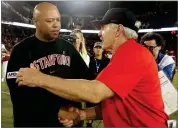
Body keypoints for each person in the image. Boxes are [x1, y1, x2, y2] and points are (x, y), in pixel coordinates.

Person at [16, 8, 169, 127]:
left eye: (103, 27)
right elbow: (115, 105)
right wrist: (82, 114)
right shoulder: (125, 54)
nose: (99, 33)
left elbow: (94, 93)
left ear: (118, 30)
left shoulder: (132, 53)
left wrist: (39, 78)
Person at [6, 2, 94, 127]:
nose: (56, 24)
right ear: (35, 22)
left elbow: (88, 80)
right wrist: (57, 112)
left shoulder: (68, 48)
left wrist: (77, 111)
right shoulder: (21, 51)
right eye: (49, 20)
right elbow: (19, 96)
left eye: (58, 20)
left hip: (68, 123)